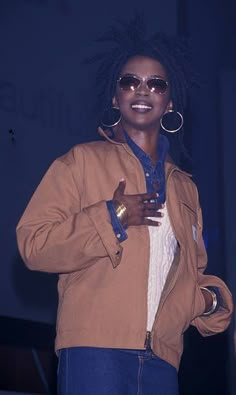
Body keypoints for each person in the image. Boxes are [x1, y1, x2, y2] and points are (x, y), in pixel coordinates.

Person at [16, 19, 233, 395]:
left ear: (169, 101)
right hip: (93, 351)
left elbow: (192, 271)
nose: (142, 91)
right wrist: (112, 216)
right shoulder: (80, 162)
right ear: (115, 96)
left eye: (155, 84)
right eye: (129, 81)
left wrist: (210, 300)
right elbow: (34, 246)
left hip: (162, 362)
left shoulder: (185, 188)